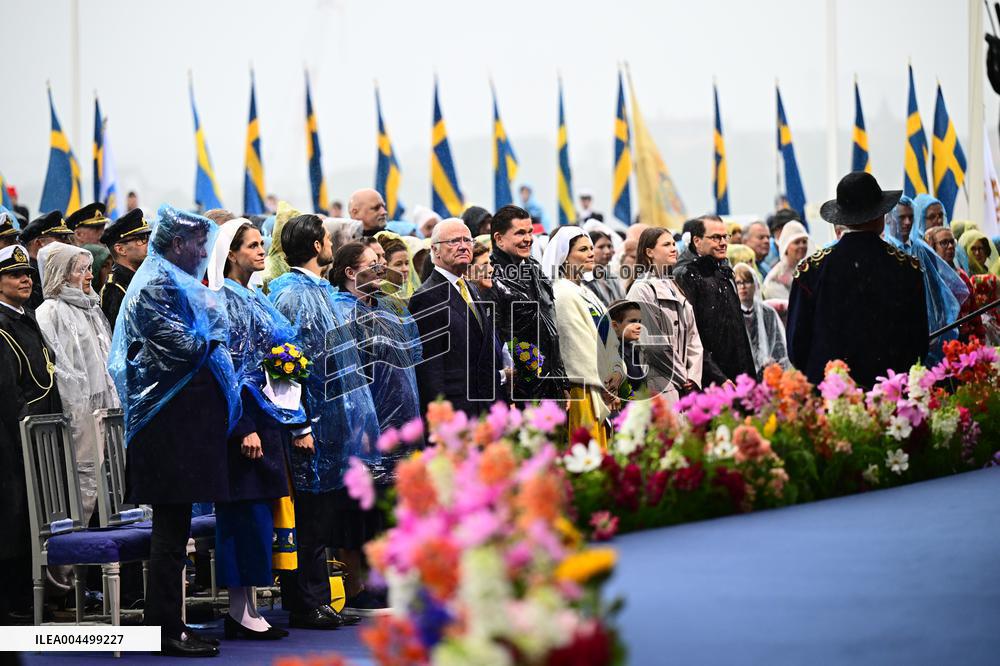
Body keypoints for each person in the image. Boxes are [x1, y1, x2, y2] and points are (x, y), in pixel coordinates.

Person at [107, 206, 240, 657]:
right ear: (179, 244)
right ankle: (164, 630)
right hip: (167, 429)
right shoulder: (157, 281)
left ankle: (172, 623)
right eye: (200, 244)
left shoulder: (171, 278)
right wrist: (214, 333)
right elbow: (181, 345)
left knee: (176, 528)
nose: (204, 253)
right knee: (169, 532)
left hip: (182, 426)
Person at [267, 214, 382, 623]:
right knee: (310, 515)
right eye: (326, 239)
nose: (332, 243)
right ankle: (305, 601)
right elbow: (287, 364)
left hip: (329, 418)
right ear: (317, 246)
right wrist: (298, 422)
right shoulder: (294, 294)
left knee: (321, 512)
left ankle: (317, 597)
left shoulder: (315, 289)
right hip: (310, 419)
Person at [207, 218, 308, 640]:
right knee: (243, 516)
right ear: (231, 253)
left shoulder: (254, 295)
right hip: (244, 425)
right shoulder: (224, 300)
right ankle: (238, 610)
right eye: (252, 245)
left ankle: (248, 605)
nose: (261, 251)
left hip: (267, 419)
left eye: (261, 243)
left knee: (260, 515)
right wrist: (242, 425)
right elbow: (226, 369)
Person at [330, 243, 422, 612]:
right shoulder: (339, 311)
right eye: (374, 263)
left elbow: (413, 358)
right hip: (362, 427)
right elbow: (343, 376)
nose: (382, 268)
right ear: (351, 272)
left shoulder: (391, 309)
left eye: (383, 262)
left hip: (400, 424)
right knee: (357, 510)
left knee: (388, 507)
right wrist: (359, 421)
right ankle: (354, 586)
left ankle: (382, 579)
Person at [786, 172, 928, 388]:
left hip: (830, 398)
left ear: (842, 218)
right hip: (890, 396)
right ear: (880, 215)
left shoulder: (811, 271)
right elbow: (918, 344)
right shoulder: (906, 268)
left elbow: (797, 347)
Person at [36, 242, 119, 525]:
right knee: (81, 487)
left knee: (111, 487)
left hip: (104, 413)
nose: (89, 276)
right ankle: (70, 565)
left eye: (88, 269)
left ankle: (103, 562)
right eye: (81, 270)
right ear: (62, 273)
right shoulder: (50, 312)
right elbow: (62, 369)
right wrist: (79, 412)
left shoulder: (91, 308)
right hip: (78, 416)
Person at [0, 245, 62, 625]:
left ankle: (27, 596)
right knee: (11, 518)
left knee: (30, 517)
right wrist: (27, 429)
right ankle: (10, 603)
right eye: (13, 274)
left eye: (27, 274)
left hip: (36, 434)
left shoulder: (25, 318)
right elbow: (7, 393)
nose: (25, 280)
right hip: (11, 438)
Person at [409, 218, 505, 416]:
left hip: (484, 408)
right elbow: (431, 370)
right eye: (453, 241)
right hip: (456, 413)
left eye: (467, 240)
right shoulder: (427, 296)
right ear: (435, 250)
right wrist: (442, 420)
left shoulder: (470, 287)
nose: (463, 247)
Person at [544, 227, 623, 447]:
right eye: (583, 249)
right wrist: (608, 385)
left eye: (590, 248)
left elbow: (610, 339)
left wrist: (617, 375)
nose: (591, 253)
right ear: (565, 257)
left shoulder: (585, 291)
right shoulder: (562, 293)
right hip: (585, 389)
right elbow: (580, 349)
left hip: (602, 386)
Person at [485, 205, 567, 403]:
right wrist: (509, 395)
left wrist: (562, 383)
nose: (528, 238)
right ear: (499, 239)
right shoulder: (490, 278)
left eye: (530, 232)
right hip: (518, 390)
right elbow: (494, 339)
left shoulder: (535, 268)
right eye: (520, 233)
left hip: (551, 384)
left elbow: (551, 330)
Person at [673, 216, 756, 387]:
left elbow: (738, 332)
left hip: (737, 377)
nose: (723, 242)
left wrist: (749, 378)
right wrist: (718, 378)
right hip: (709, 382)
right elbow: (691, 336)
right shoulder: (686, 274)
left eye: (725, 237)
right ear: (697, 240)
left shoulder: (723, 270)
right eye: (716, 237)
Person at [626, 227, 703, 403]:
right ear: (649, 252)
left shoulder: (674, 285)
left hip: (683, 384)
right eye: (666, 244)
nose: (673, 248)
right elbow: (653, 344)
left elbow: (694, 337)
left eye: (674, 244)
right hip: (657, 382)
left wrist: (693, 375)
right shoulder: (641, 289)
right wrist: (683, 377)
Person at [926, 226, 985, 342]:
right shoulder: (931, 278)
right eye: (944, 243)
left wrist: (979, 337)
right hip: (941, 341)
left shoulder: (962, 276)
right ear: (933, 247)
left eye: (952, 242)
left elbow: (974, 312)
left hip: (966, 339)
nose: (950, 246)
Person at [733, 262, 789, 375]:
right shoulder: (731, 314)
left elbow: (779, 346)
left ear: (755, 285)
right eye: (738, 283)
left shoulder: (768, 313)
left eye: (747, 282)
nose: (743, 286)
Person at [99, 208, 150, 331]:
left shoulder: (142, 278)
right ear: (120, 249)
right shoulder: (114, 288)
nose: (147, 243)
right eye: (140, 239)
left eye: (148, 237)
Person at [19, 211, 75, 310]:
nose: (68, 242)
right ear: (39, 243)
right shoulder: (27, 274)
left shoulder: (54, 270)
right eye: (61, 237)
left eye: (67, 237)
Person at [762, 221, 809, 300]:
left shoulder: (803, 268)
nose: (802, 246)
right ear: (786, 246)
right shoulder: (777, 276)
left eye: (804, 242)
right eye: (797, 242)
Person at [608, 300, 645, 393]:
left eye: (639, 321)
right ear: (615, 325)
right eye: (633, 321)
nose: (639, 326)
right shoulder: (611, 354)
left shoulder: (633, 350)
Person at [374, 231, 420, 304]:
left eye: (407, 263)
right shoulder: (378, 298)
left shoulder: (409, 292)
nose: (405, 269)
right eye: (398, 264)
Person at [586, 230, 624, 307]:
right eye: (601, 247)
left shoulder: (613, 277)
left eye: (609, 246)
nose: (607, 251)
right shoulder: (584, 280)